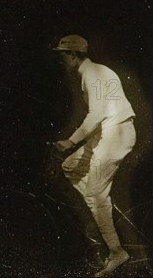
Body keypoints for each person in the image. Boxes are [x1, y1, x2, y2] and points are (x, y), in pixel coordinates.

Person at [52, 34, 136, 277]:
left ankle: (116, 250)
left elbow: (97, 114)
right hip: (107, 134)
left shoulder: (92, 73)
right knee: (70, 166)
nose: (61, 61)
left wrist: (71, 140)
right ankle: (99, 208)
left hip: (115, 134)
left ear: (72, 55)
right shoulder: (94, 72)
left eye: (62, 55)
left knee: (94, 193)